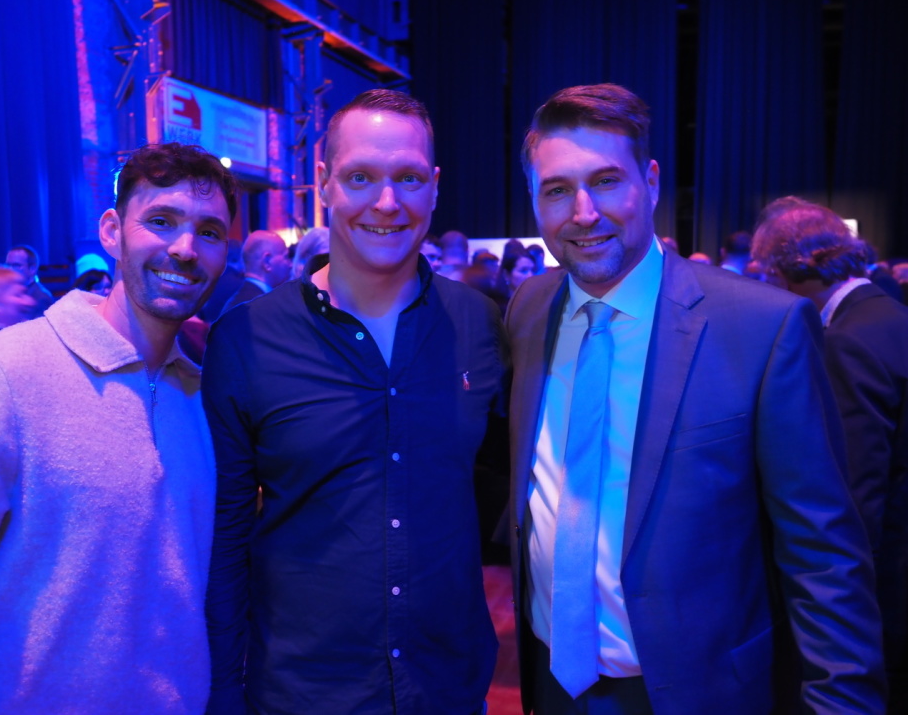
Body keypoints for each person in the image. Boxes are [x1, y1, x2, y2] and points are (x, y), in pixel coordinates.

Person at [507, 83, 884, 714]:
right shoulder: (528, 309)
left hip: (702, 692)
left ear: (650, 182)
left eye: (606, 181)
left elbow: (823, 556)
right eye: (557, 190)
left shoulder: (761, 328)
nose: (583, 212)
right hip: (551, 684)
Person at [203, 89, 508, 715]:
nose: (387, 202)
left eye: (409, 178)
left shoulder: (479, 325)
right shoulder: (247, 338)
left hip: (447, 686)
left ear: (435, 187)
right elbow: (225, 537)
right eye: (361, 177)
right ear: (324, 183)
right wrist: (225, 692)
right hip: (303, 691)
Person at [0, 142, 236, 714]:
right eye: (161, 221)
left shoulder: (204, 398)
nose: (185, 249)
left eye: (209, 232)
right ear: (112, 231)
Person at [753, 196, 908, 712]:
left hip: (881, 595)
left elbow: (852, 496)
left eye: (769, 274)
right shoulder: (892, 316)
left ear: (789, 271)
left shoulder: (846, 341)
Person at [219, 229, 291, 315]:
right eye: (286, 257)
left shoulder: (240, 301)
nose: (290, 265)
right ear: (267, 261)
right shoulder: (262, 307)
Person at [5, 244, 55, 318]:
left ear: (32, 269)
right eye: (7, 265)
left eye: (16, 265)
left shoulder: (41, 297)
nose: (10, 270)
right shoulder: (8, 292)